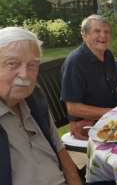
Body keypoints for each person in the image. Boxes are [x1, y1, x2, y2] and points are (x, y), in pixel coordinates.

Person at [0, 27, 82, 185]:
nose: (24, 75)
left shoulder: (34, 97)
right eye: (12, 63)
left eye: (32, 65)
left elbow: (61, 152)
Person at [61, 15, 117, 140]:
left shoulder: (107, 55)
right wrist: (113, 113)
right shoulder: (76, 62)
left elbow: (113, 89)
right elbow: (73, 108)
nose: (103, 36)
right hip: (86, 123)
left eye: (107, 32)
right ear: (85, 35)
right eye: (97, 31)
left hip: (108, 115)